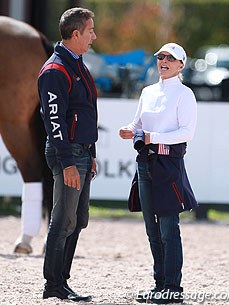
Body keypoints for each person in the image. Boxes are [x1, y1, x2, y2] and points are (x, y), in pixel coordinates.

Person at [119, 42, 198, 304]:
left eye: (169, 58)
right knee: (152, 230)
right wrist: (129, 129)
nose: (163, 60)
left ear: (180, 64)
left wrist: (152, 137)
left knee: (168, 228)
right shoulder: (148, 91)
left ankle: (173, 288)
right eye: (160, 56)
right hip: (145, 163)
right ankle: (159, 284)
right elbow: (138, 123)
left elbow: (186, 133)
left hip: (168, 165)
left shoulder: (185, 94)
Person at [38, 7, 98, 302]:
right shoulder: (55, 70)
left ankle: (62, 280)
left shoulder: (77, 63)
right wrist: (68, 163)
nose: (94, 36)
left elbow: (85, 112)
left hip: (82, 152)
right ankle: (54, 284)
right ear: (76, 34)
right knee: (63, 220)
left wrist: (92, 151)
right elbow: (54, 121)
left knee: (79, 219)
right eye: (90, 31)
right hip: (69, 154)